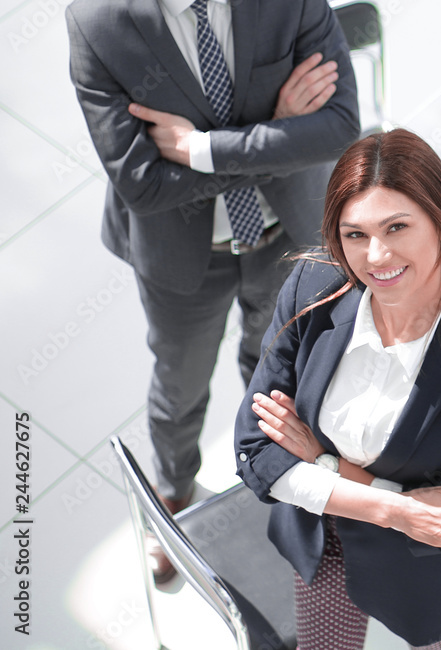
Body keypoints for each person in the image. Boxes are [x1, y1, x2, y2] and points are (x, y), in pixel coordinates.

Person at [66, 0, 361, 581]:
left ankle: (282, 485)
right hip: (182, 256)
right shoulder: (98, 22)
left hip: (289, 240)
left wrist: (201, 148)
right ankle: (173, 493)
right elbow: (144, 186)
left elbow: (338, 127)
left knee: (283, 376)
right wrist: (279, 131)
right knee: (180, 387)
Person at [234, 129, 441, 649]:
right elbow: (256, 452)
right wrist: (396, 507)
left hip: (422, 567)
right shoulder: (311, 287)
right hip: (319, 535)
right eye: (354, 235)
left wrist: (322, 462)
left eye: (397, 227)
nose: (376, 256)